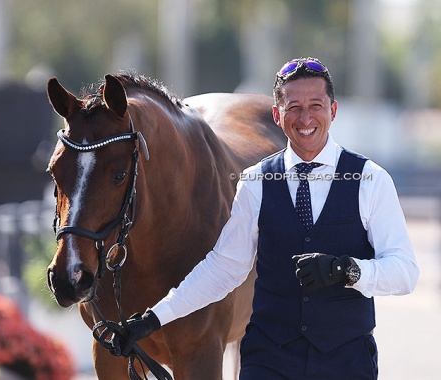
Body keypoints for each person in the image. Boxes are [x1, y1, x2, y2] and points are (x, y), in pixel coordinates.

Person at [119, 57, 419, 379]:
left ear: (333, 111)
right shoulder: (256, 181)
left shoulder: (371, 179)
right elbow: (223, 267)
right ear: (277, 115)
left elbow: (405, 272)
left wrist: (347, 269)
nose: (305, 117)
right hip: (268, 361)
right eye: (293, 107)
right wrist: (152, 319)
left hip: (345, 361)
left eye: (316, 105)